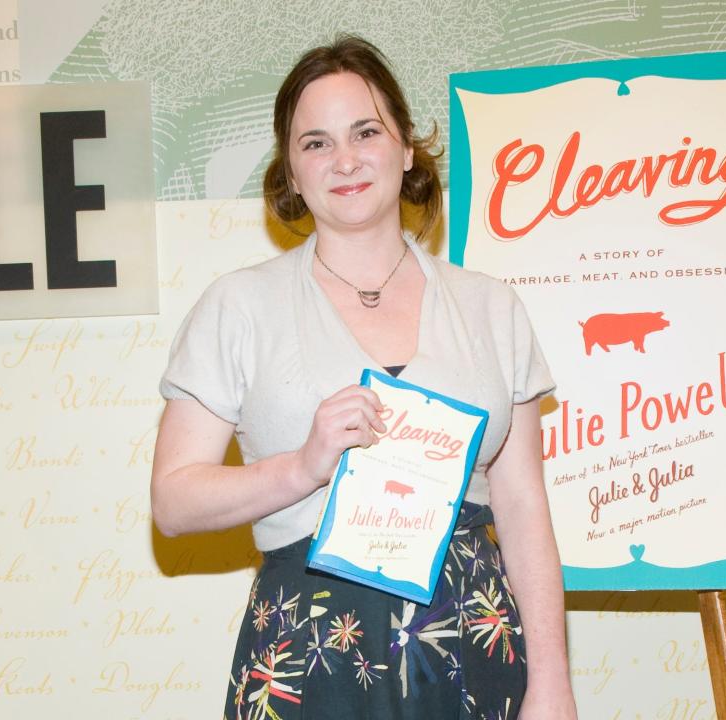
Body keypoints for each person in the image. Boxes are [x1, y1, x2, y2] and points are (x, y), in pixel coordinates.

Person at [151, 35, 577, 720]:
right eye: (315, 143)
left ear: (407, 148)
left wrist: (552, 684)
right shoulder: (237, 306)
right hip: (309, 651)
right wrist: (303, 466)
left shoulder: (491, 307)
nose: (344, 159)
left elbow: (524, 506)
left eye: (365, 131)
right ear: (289, 172)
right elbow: (173, 503)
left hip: (469, 641)